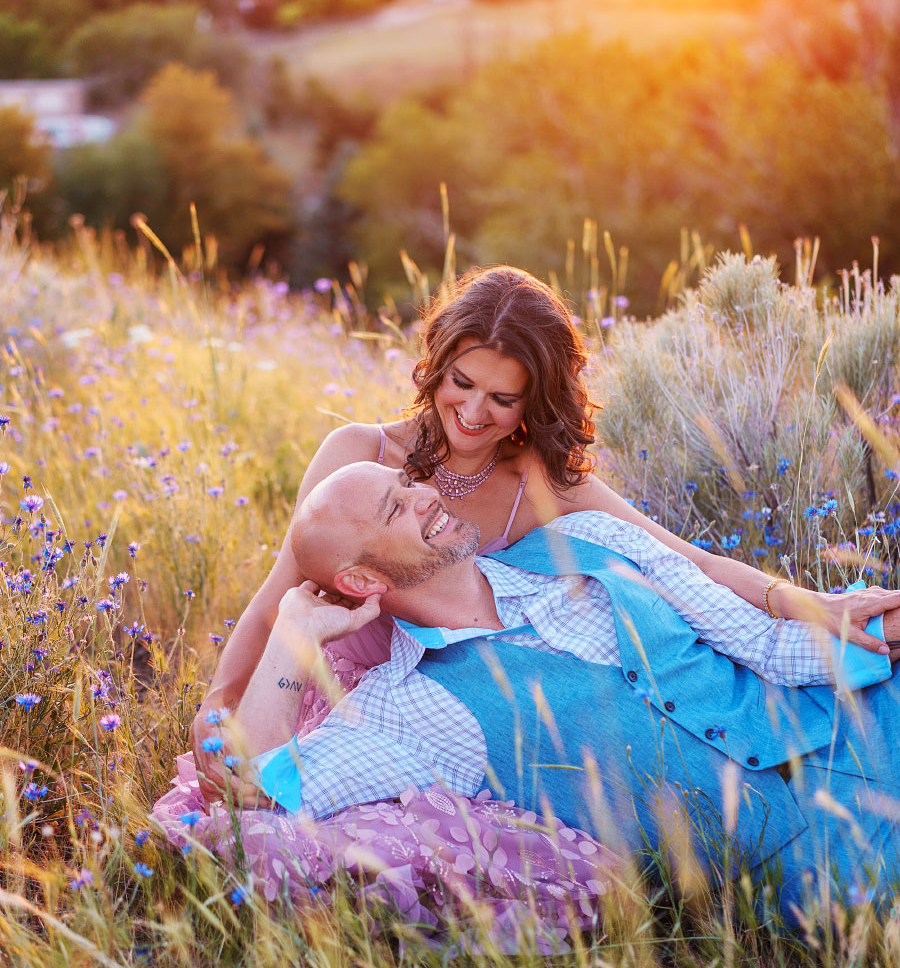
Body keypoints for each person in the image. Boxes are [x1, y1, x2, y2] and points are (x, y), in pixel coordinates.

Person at [189, 266, 900, 805]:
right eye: (461, 382)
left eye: (503, 399)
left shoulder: (541, 481)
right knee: (256, 800)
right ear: (436, 364)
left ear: (535, 398)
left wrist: (811, 603)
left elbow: (691, 563)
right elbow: (276, 598)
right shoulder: (358, 454)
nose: (472, 412)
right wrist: (219, 701)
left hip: (502, 712)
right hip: (358, 697)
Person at [233, 462, 900, 920]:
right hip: (812, 863)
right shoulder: (405, 710)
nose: (426, 496)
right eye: (396, 508)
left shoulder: (586, 537)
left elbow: (759, 641)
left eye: (411, 483)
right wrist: (294, 634)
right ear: (358, 581)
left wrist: (875, 631)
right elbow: (257, 794)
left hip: (868, 722)